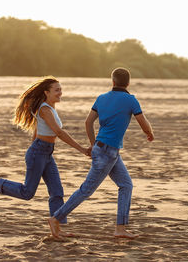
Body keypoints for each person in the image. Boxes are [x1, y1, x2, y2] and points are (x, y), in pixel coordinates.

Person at [47, 67, 154, 239]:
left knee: (126, 185)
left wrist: (93, 144)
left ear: (112, 81)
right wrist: (150, 133)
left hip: (106, 150)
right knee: (86, 190)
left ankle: (120, 228)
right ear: (128, 83)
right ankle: (56, 218)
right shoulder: (131, 100)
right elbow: (143, 122)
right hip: (107, 152)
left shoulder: (102, 98)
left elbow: (88, 122)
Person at [0, 76, 90, 231]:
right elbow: (58, 132)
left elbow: (37, 131)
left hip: (45, 153)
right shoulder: (44, 109)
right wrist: (82, 150)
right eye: (56, 90)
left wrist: (35, 149)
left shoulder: (49, 108)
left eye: (60, 89)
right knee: (27, 192)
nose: (60, 93)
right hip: (39, 152)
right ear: (46, 92)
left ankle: (57, 229)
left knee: (57, 192)